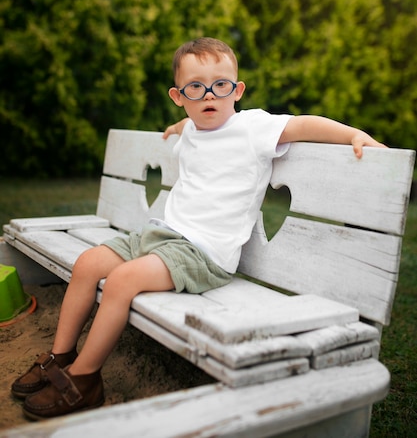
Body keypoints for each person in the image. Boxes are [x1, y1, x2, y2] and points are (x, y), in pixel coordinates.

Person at [12, 37, 386, 420]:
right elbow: (190, 122)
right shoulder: (192, 126)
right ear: (180, 96)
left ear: (237, 90)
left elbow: (304, 123)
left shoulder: (252, 127)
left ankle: (85, 379)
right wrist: (180, 125)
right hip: (162, 235)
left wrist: (353, 134)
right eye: (196, 88)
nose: (210, 95)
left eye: (220, 85)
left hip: (204, 252)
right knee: (89, 262)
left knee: (122, 281)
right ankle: (61, 356)